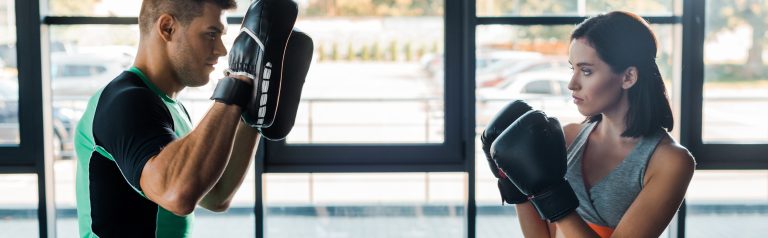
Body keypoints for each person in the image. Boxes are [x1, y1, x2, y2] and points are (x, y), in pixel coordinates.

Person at [73, 0, 312, 237]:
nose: (222, 50)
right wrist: (238, 82)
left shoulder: (170, 107)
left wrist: (253, 108)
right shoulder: (125, 101)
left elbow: (216, 195)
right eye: (211, 34)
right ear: (167, 28)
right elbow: (176, 194)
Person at [486, 11, 695, 237]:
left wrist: (553, 196)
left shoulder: (670, 162)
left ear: (628, 77)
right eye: (573, 69)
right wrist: (513, 185)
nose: (571, 84)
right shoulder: (568, 138)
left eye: (586, 71)